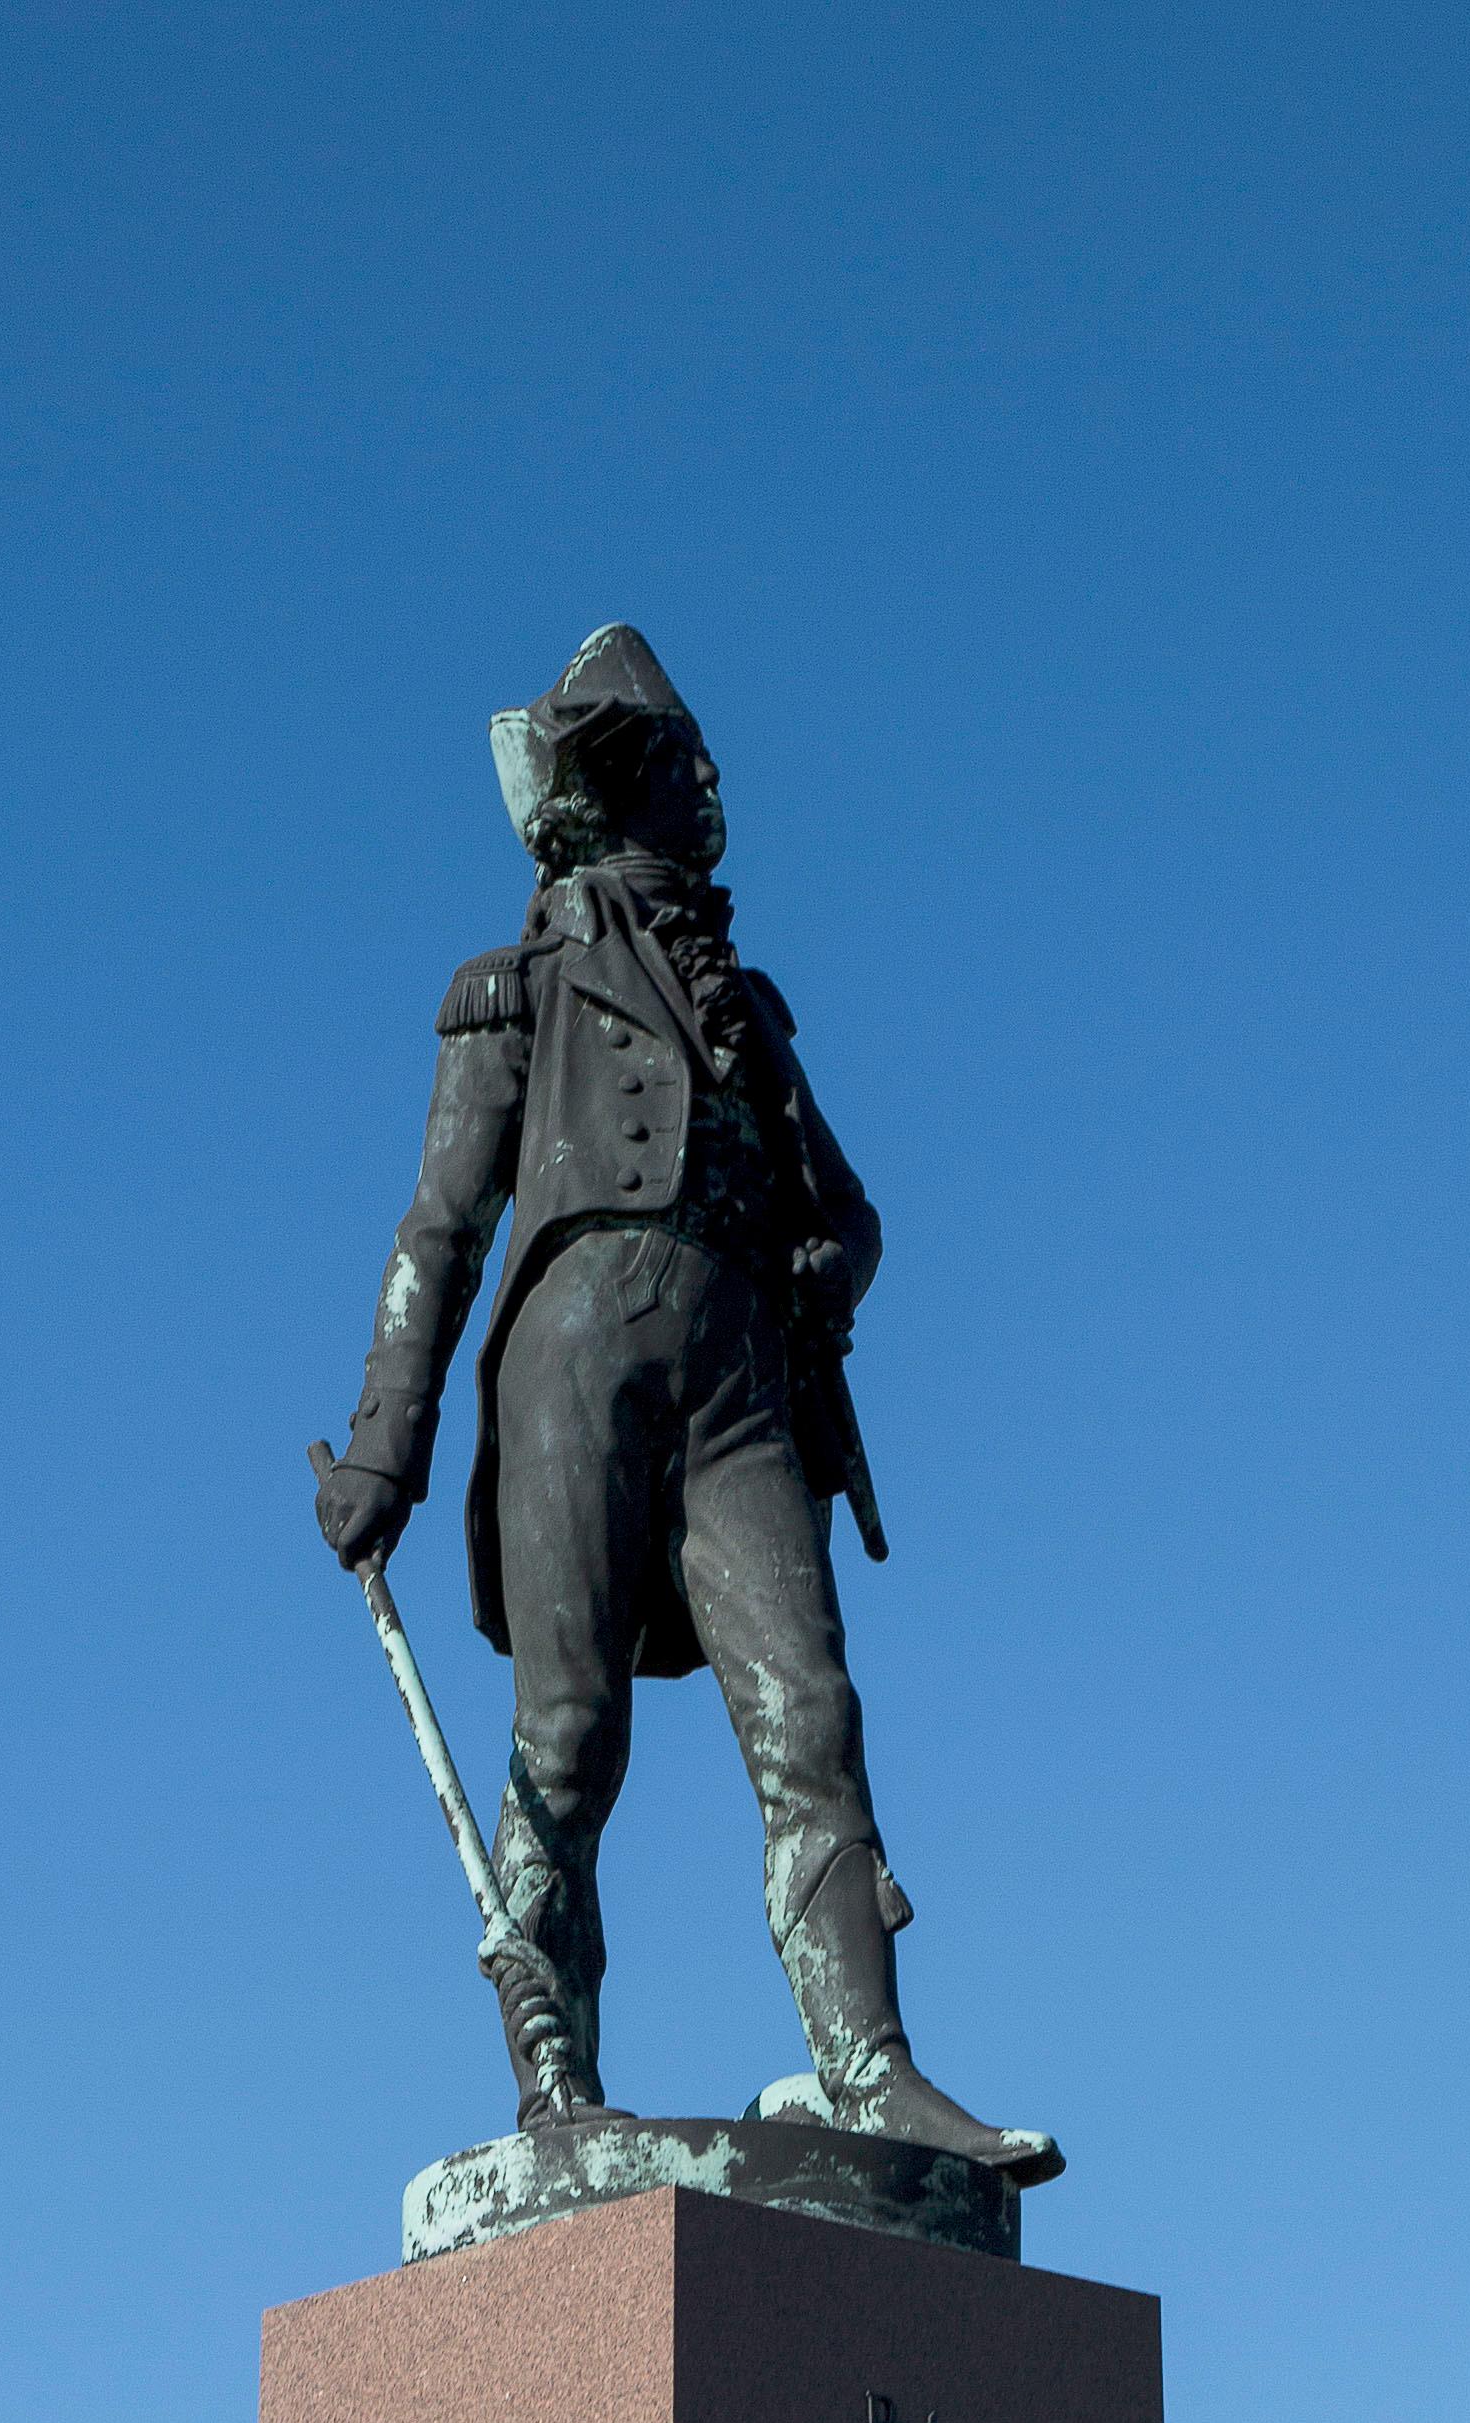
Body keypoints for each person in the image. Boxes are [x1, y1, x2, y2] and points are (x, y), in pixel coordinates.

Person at [315, 621, 1053, 2179]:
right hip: (573, 1354)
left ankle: (873, 2065)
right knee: (568, 1734)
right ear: (615, 784)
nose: (708, 783)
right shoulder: (512, 996)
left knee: (813, 1712)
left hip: (737, 1380)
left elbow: (852, 1212)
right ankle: (554, 2078)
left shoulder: (749, 1008)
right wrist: (388, 1446)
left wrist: (821, 1267)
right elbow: (439, 1231)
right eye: (676, 759)